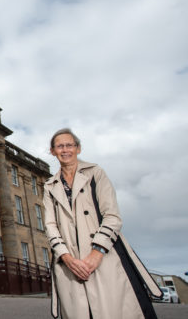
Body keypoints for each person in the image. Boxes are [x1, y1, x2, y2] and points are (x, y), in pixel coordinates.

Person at [43, 128, 161, 319]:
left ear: (78, 149)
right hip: (70, 262)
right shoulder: (49, 185)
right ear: (52, 151)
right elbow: (50, 225)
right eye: (60, 146)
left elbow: (112, 215)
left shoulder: (96, 173)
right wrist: (66, 257)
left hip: (101, 257)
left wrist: (96, 254)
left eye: (69, 145)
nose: (65, 150)